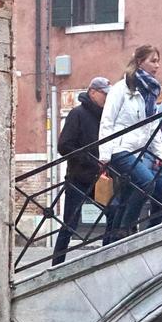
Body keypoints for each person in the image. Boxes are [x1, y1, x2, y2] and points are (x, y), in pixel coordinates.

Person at [97, 44, 162, 242]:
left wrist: (161, 155)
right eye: (153, 61)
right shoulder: (120, 89)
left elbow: (153, 127)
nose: (157, 66)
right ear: (139, 62)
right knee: (146, 183)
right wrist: (104, 155)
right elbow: (107, 121)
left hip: (138, 151)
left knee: (126, 197)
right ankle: (125, 230)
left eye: (158, 61)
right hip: (119, 148)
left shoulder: (150, 92)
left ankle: (111, 243)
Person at [51, 76, 110, 265]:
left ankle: (107, 257)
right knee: (69, 225)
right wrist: (90, 161)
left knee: (115, 212)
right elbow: (64, 145)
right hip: (78, 177)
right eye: (104, 94)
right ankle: (56, 265)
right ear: (93, 92)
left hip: (100, 178)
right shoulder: (77, 114)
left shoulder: (105, 117)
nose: (107, 98)